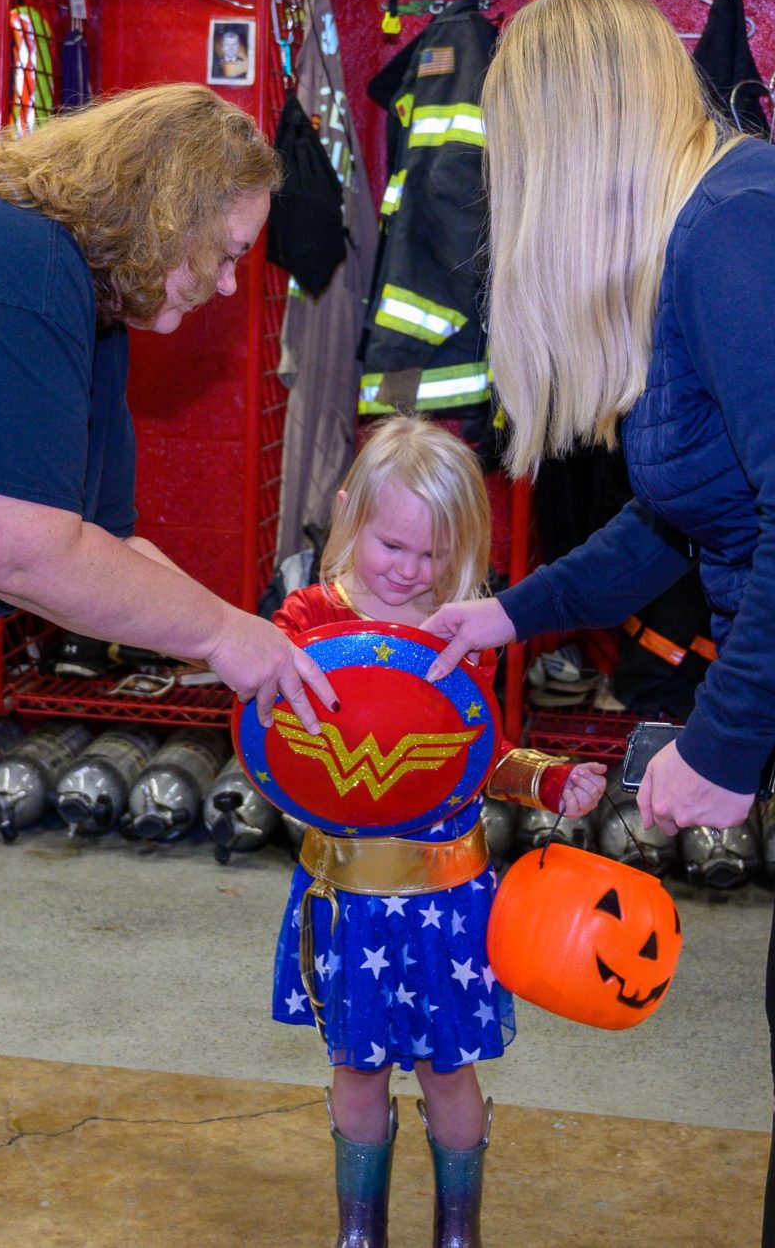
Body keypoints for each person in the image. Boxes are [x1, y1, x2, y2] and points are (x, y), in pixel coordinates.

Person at [425, 0, 775, 1248]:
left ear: (564, 136)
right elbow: (683, 510)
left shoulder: (741, 235)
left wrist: (720, 743)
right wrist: (512, 617)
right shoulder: (705, 233)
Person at [0, 82, 335, 1248]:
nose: (234, 284)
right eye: (228, 251)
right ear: (166, 205)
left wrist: (263, 644)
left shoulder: (76, 308)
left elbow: (105, 543)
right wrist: (233, 639)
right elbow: (19, 548)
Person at [270, 416, 605, 1248]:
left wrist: (548, 779)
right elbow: (267, 722)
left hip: (448, 902)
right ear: (350, 517)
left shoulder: (465, 627)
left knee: (449, 1070)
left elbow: (475, 753)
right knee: (356, 1065)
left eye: (433, 555)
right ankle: (360, 1233)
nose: (411, 571)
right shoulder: (308, 615)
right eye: (392, 546)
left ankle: (460, 1232)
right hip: (345, 895)